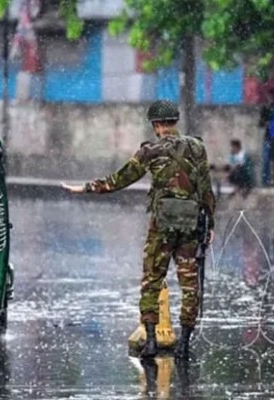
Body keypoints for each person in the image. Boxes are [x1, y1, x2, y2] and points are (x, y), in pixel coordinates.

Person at [62, 100, 216, 360]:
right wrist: (209, 223)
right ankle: (185, 343)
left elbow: (119, 179)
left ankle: (152, 341)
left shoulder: (150, 151)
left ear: (156, 125)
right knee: (190, 283)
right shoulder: (197, 148)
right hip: (191, 224)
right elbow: (205, 189)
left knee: (152, 280)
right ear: (175, 122)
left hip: (162, 225)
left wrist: (87, 188)